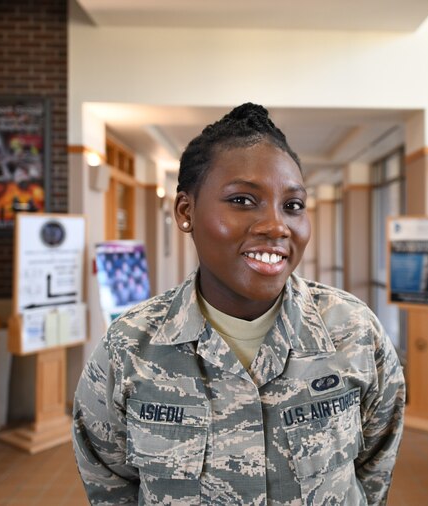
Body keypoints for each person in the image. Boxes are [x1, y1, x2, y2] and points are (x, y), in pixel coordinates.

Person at [72, 103, 406, 505]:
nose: (276, 225)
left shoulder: (352, 332)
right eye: (244, 200)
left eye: (293, 205)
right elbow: (110, 484)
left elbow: (373, 472)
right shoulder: (129, 349)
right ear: (186, 211)